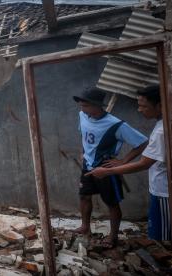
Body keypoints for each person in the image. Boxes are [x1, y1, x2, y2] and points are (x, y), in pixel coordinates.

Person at [87, 85, 170, 241]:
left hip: (164, 192)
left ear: (159, 105)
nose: (139, 110)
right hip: (159, 188)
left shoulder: (161, 131)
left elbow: (144, 163)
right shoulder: (161, 124)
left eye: (143, 106)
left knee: (163, 238)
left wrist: (108, 171)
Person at [73, 87, 148, 248]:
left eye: (85, 105)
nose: (81, 108)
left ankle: (113, 236)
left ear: (97, 105)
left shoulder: (116, 124)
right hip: (88, 165)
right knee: (84, 196)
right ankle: (85, 226)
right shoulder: (82, 116)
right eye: (81, 105)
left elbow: (142, 142)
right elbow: (84, 134)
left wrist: (123, 161)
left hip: (106, 168)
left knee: (111, 202)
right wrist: (83, 151)